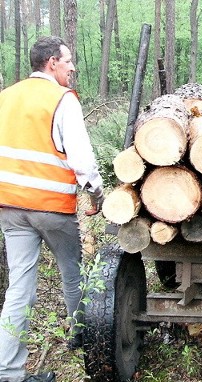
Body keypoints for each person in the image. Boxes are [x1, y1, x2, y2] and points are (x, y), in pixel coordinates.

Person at [0, 36, 104, 382]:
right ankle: (80, 335)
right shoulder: (61, 99)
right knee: (72, 274)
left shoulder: (6, 97)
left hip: (10, 208)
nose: (72, 67)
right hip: (50, 207)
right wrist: (97, 193)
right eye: (68, 61)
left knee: (19, 287)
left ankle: (9, 373)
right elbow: (81, 158)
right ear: (51, 63)